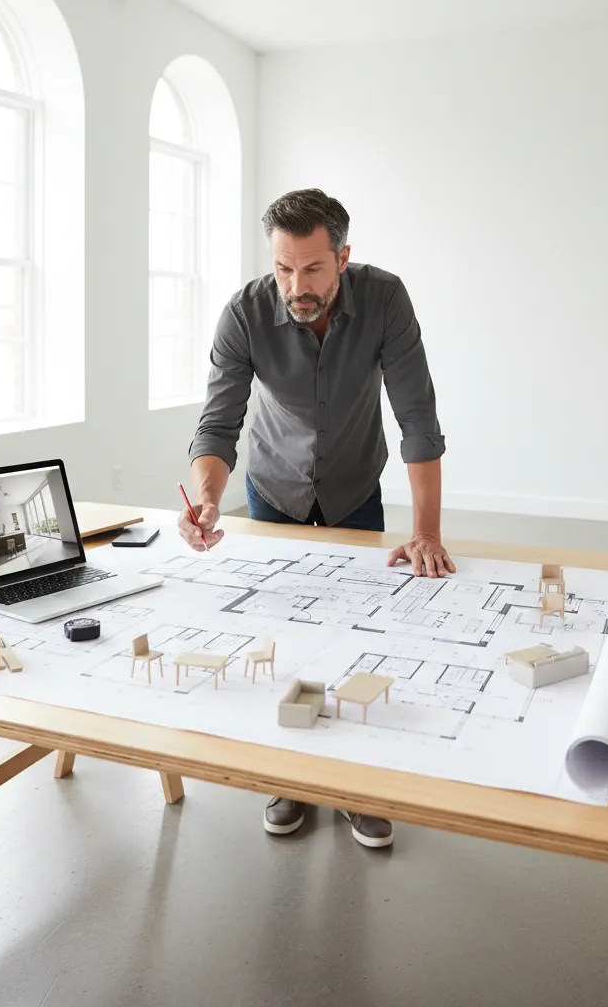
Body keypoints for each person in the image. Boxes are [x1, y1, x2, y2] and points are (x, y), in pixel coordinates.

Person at [180, 188, 453, 848]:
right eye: (282, 269)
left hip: (356, 485)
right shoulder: (243, 315)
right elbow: (216, 428)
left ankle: (359, 786)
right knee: (285, 635)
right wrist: (209, 497)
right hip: (275, 488)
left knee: (360, 633)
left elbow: (416, 420)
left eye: (311, 269)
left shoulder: (385, 299)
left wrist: (427, 532)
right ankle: (291, 776)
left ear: (343, 257)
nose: (295, 286)